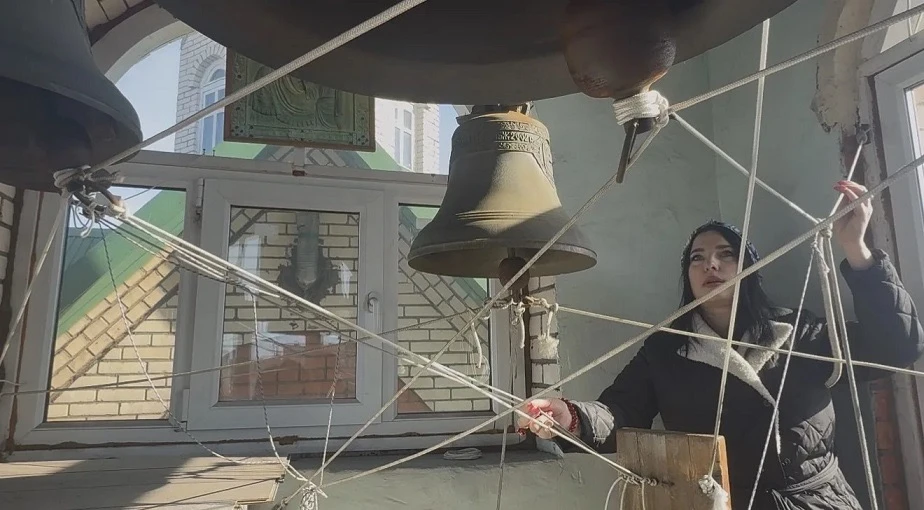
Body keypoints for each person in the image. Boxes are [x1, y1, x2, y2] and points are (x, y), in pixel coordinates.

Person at [517, 180, 924, 510]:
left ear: (748, 269)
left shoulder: (799, 330)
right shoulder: (666, 350)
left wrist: (856, 249)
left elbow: (896, 349)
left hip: (819, 500)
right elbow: (620, 413)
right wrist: (570, 416)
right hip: (725, 503)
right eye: (697, 258)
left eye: (725, 255)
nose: (710, 264)